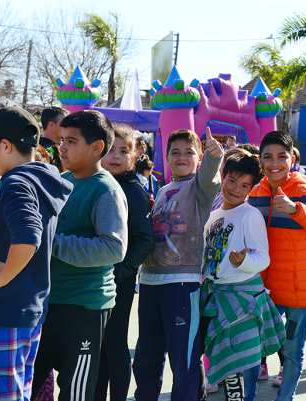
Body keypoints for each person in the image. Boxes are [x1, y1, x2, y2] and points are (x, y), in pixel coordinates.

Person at [0, 107, 72, 401]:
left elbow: (27, 236)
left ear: (6, 146)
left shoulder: (16, 183)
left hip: (2, 312)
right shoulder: (37, 179)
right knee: (15, 391)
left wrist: (1, 275)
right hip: (20, 309)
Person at [31, 110, 128, 401]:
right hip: (48, 302)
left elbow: (114, 248)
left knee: (76, 392)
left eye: (71, 141)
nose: (61, 147)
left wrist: (53, 243)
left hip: (85, 305)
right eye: (61, 140)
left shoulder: (106, 189)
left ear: (97, 147)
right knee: (28, 382)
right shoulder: (58, 181)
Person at [133, 127, 223, 401]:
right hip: (150, 281)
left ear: (198, 158)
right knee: (147, 356)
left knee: (183, 359)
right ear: (166, 157)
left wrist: (214, 156)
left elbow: (209, 176)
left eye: (189, 152)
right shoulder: (163, 191)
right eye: (175, 151)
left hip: (182, 283)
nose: (181, 156)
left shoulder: (200, 188)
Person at [248, 131, 306, 401]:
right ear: (260, 160)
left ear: (292, 158)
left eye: (281, 157)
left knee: (293, 350)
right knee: (255, 348)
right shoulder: (256, 191)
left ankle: (285, 398)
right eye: (268, 157)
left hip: (298, 289)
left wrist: (296, 209)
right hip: (266, 289)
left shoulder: (300, 187)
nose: (275, 163)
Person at [201, 151, 285, 401]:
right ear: (223, 176)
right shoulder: (214, 216)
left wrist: (244, 260)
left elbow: (263, 258)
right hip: (217, 298)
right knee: (229, 371)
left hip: (244, 301)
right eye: (232, 180)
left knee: (244, 369)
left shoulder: (250, 215)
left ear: (251, 187)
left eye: (245, 185)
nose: (237, 189)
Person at [95, 124, 153, 401]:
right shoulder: (96, 182)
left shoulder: (134, 191)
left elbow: (144, 239)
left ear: (135, 155)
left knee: (115, 343)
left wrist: (122, 271)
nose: (116, 156)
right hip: (91, 280)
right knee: (96, 346)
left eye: (124, 150)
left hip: (119, 280)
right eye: (111, 150)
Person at [39, 106, 68, 170]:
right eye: (64, 123)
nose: (67, 127)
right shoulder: (40, 150)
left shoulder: (65, 147)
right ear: (51, 125)